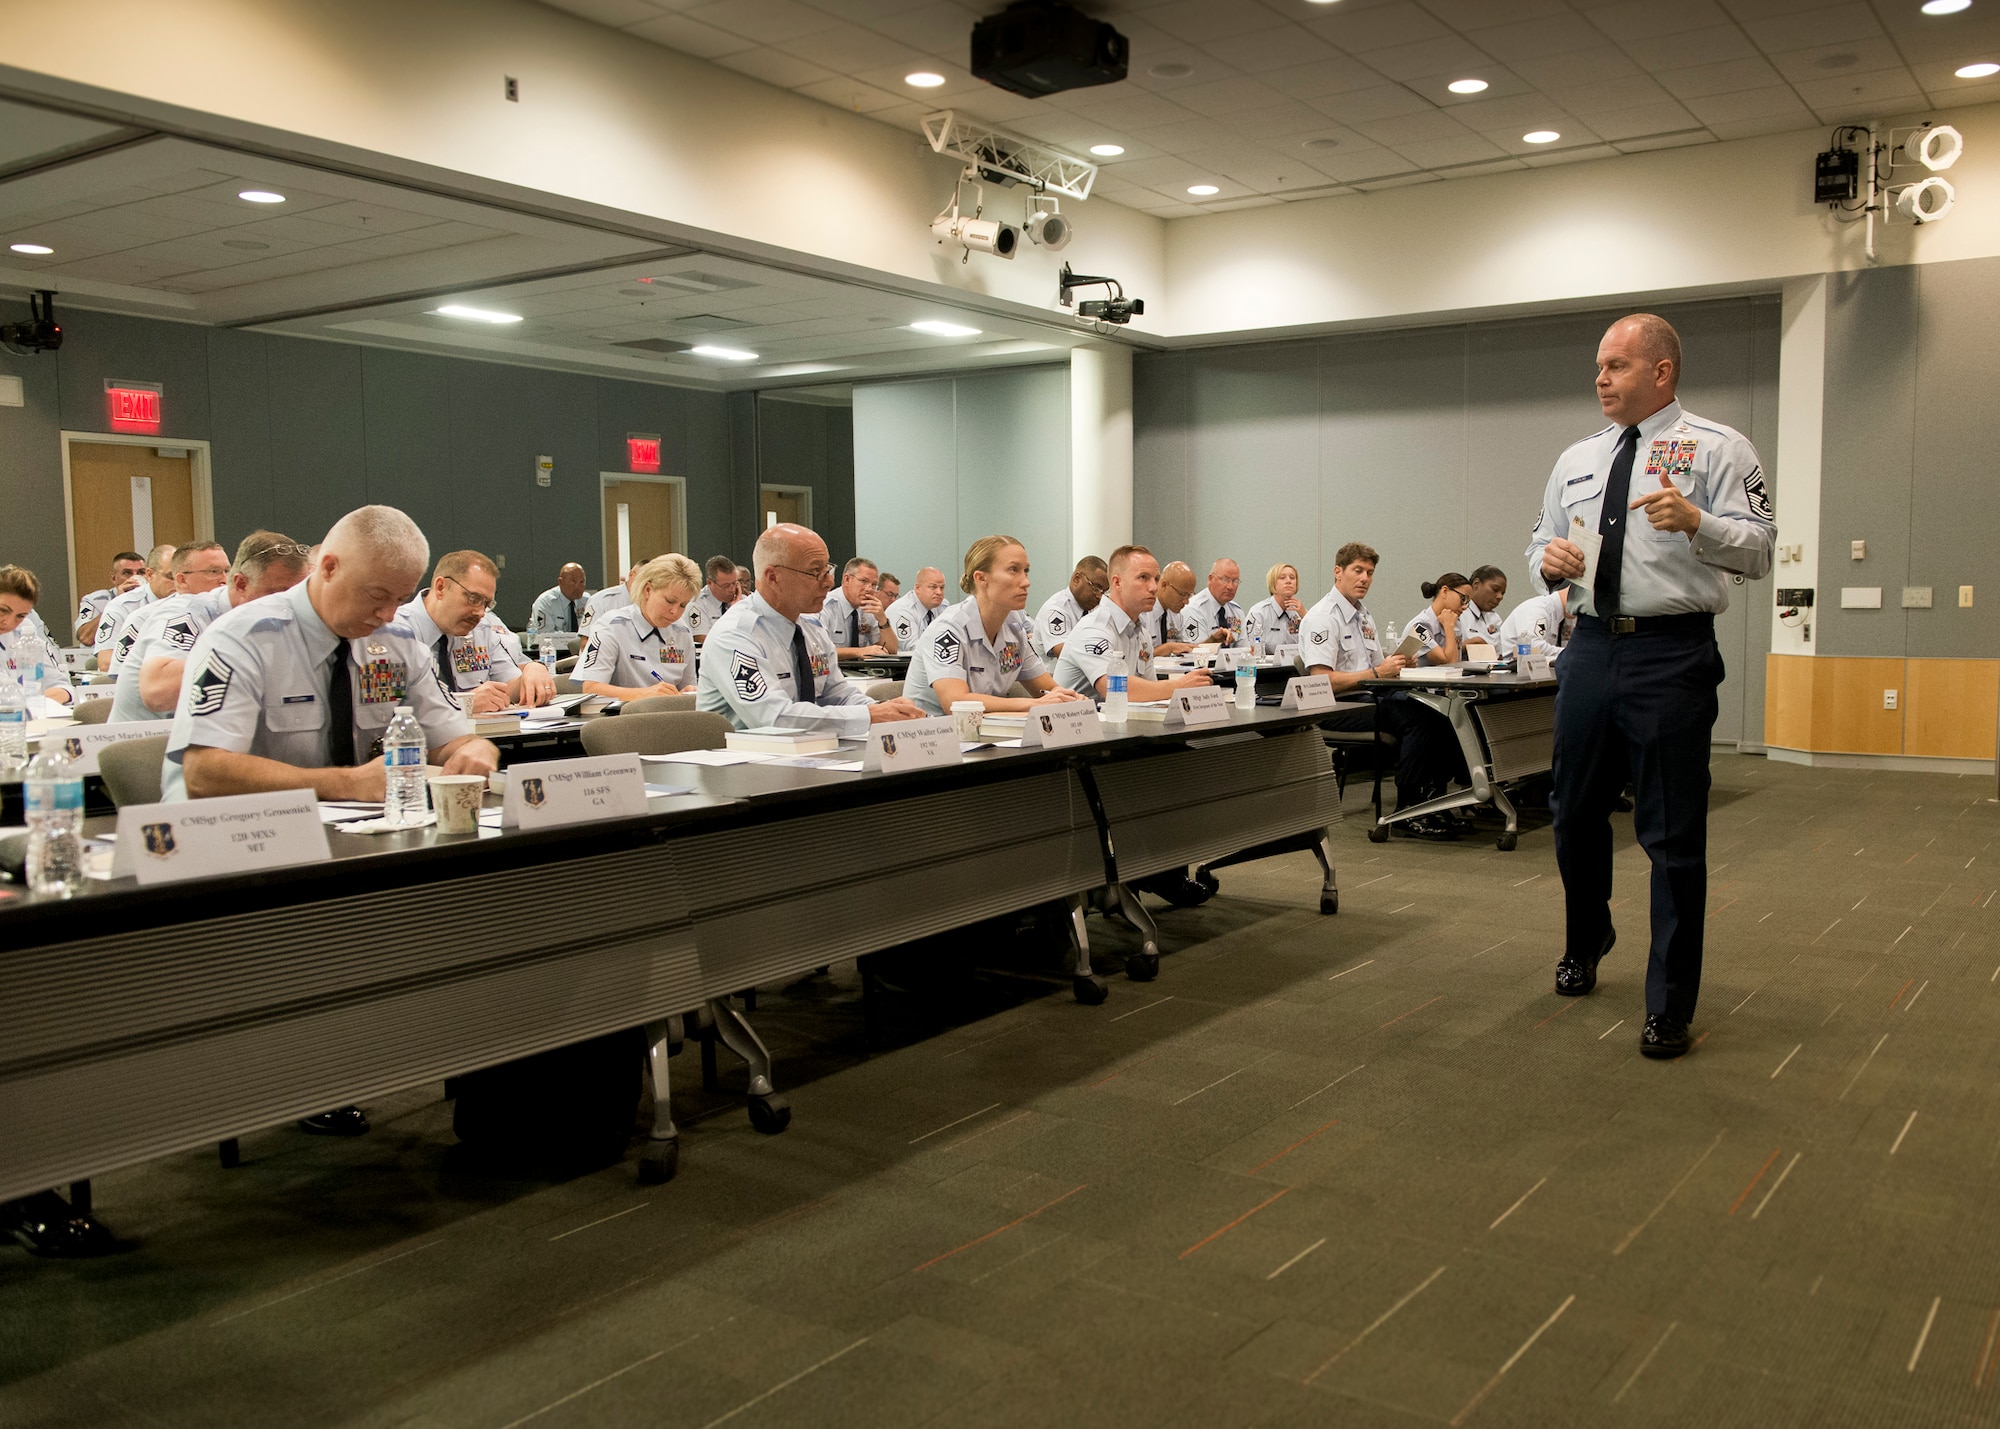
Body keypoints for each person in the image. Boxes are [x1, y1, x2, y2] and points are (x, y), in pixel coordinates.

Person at [164, 506, 498, 1137]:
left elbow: (454, 737)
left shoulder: (397, 641)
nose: (388, 614)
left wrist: (473, 754)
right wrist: (344, 785)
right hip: (238, 854)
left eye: (402, 599)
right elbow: (205, 771)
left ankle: (430, 1056)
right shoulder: (243, 636)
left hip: (351, 842)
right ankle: (301, 1067)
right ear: (327, 566)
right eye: (377, 596)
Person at [1527, 312, 1774, 1059]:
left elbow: (1760, 548)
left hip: (1671, 653)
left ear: (1661, 372)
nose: (1600, 378)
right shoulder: (1576, 457)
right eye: (1599, 367)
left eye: (1616, 365)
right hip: (1592, 647)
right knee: (1570, 813)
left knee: (1671, 836)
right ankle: (1587, 934)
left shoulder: (1719, 448)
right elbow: (1540, 538)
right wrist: (1551, 562)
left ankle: (1668, 1001)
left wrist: (1700, 521)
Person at [1301, 544, 1465, 838]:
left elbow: (1379, 666)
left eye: (1370, 573)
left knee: (1443, 714)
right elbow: (1320, 681)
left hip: (1372, 696)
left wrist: (1401, 664)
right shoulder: (1323, 616)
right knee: (1419, 719)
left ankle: (1433, 801)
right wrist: (1378, 673)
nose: (1364, 578)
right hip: (1339, 707)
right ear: (1338, 572)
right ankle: (1407, 808)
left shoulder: (1363, 615)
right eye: (1357, 571)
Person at [697, 523, 924, 732]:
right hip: (745, 767)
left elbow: (838, 694)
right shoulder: (736, 636)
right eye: (815, 572)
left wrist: (886, 710)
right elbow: (776, 719)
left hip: (806, 756)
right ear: (773, 577)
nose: (827, 582)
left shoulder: (810, 628)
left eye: (828, 570)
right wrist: (870, 715)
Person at [111, 532, 311, 723]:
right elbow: (158, 692)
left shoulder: (283, 617)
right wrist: (259, 655)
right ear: (241, 584)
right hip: (149, 745)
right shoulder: (186, 613)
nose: (288, 605)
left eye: (297, 594)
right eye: (278, 593)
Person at [905, 537, 1091, 716]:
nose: (1026, 581)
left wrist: (1071, 699)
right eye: (1013, 570)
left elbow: (1046, 689)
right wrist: (1034, 704)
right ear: (981, 578)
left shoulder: (1015, 628)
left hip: (986, 734)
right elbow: (956, 703)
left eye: (1026, 571)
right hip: (933, 737)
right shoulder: (949, 629)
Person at [400, 551, 556, 713]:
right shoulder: (396, 632)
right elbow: (386, 712)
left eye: (486, 604)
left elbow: (508, 686)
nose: (481, 613)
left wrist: (532, 670)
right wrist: (464, 704)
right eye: (474, 599)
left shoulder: (481, 629)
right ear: (441, 588)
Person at [1054, 546, 1213, 704]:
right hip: (1081, 724)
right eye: (1143, 577)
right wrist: (1178, 686)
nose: (1153, 588)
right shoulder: (1093, 628)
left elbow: (1152, 691)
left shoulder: (1142, 635)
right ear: (1117, 583)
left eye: (1156, 579)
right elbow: (1115, 690)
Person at [572, 553, 702, 699]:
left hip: (669, 716)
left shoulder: (682, 632)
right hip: (624, 717)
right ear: (648, 590)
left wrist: (689, 691)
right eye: (670, 601)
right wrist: (644, 694)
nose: (675, 612)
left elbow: (687, 687)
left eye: (683, 605)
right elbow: (591, 688)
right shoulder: (612, 626)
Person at [107, 542, 231, 676]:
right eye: (213, 572)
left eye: (227, 571)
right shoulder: (143, 618)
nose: (224, 579)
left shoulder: (230, 614)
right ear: (182, 580)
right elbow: (122, 679)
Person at [93, 542, 175, 669]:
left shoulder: (192, 603)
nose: (178, 582)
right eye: (170, 576)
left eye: (183, 575)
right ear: (150, 575)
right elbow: (106, 662)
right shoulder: (122, 606)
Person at [0, 566, 72, 706]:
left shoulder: (25, 631)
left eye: (20, 616)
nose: (9, 622)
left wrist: (36, 702)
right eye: (3, 610)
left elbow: (62, 687)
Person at [817, 557, 897, 658]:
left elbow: (891, 650)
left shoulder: (870, 608)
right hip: (831, 670)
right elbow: (819, 650)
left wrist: (882, 620)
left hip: (862, 672)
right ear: (847, 579)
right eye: (863, 581)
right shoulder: (825, 606)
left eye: (874, 584)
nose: (869, 589)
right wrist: (858, 652)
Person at [1032, 555, 1108, 658]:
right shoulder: (1055, 610)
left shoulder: (1094, 609)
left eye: (1104, 591)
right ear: (1077, 579)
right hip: (1052, 673)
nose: (1099, 596)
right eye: (1096, 588)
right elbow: (1064, 652)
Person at [75, 550, 146, 645]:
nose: (135, 578)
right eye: (127, 573)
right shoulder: (95, 600)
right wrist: (116, 602)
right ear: (114, 578)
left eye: (140, 573)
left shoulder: (155, 599)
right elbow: (86, 638)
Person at [1404, 572, 1473, 667]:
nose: (1465, 606)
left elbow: (1456, 663)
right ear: (1445, 591)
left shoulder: (1454, 621)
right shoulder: (1419, 626)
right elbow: (1449, 664)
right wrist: (1449, 627)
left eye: (1468, 602)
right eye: (1463, 599)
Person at [1181, 558, 1243, 645]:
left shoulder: (1236, 612)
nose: (1230, 587)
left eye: (1235, 581)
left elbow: (1244, 650)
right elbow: (1198, 652)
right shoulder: (1194, 609)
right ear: (1211, 579)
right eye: (1225, 580)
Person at [1498, 585, 1571, 659]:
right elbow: (1535, 648)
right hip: (1509, 665)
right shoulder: (1538, 609)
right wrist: (1573, 653)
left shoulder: (1556, 612)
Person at [1144, 561, 1198, 658]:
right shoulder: (1143, 612)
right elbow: (1137, 657)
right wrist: (1168, 648)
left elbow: (1184, 647)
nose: (1186, 602)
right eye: (1182, 594)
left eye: (1189, 595)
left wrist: (1211, 640)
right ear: (1164, 585)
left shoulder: (1177, 615)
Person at [1244, 563, 1305, 647]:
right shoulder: (1258, 612)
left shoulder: (1299, 612)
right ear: (1273, 583)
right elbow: (1250, 647)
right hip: (1265, 659)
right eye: (1282, 578)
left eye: (1292, 578)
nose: (1288, 581)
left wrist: (1305, 616)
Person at [885, 566, 947, 645]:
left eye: (942, 587)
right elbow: (912, 648)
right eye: (933, 587)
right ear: (918, 588)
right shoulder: (902, 610)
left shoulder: (943, 606)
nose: (939, 592)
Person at [525, 562, 589, 638]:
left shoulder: (587, 600)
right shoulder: (546, 602)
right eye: (573, 582)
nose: (579, 587)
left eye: (582, 582)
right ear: (560, 582)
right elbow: (545, 636)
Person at [686, 556, 738, 642]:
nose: (732, 589)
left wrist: (738, 607)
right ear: (710, 583)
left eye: (734, 583)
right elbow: (703, 641)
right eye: (726, 585)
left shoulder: (742, 600)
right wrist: (734, 612)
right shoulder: (697, 604)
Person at [1459, 566, 1508, 650]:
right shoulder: (1459, 613)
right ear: (1476, 585)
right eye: (1495, 589)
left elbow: (1499, 653)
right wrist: (1470, 644)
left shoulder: (1495, 619)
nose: (1500, 596)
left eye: (1502, 593)